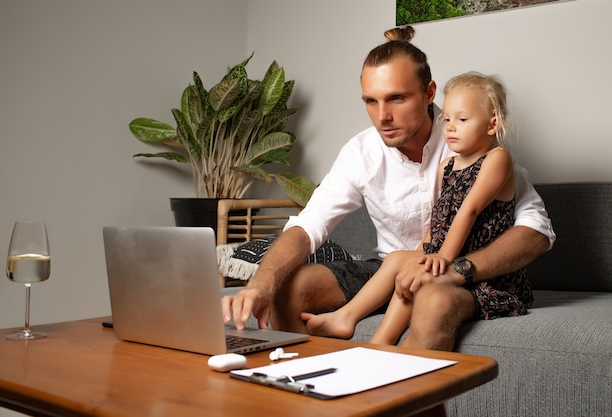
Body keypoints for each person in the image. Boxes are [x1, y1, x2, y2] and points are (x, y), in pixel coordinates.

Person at [221, 26, 555, 351]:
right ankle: (312, 396)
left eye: (396, 98)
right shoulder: (361, 152)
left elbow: (536, 232)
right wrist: (260, 284)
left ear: (428, 93)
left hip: (460, 271)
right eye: (371, 101)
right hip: (388, 269)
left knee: (434, 298)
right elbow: (308, 226)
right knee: (290, 288)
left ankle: (392, 395)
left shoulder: (473, 141)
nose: (382, 116)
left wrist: (456, 269)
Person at [301, 71, 532, 345]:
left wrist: (442, 257)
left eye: (462, 120)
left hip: (483, 273)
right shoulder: (447, 167)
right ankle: (346, 317)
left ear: (492, 125)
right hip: (448, 253)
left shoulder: (497, 159)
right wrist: (425, 249)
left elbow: (467, 210)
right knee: (400, 259)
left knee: (421, 273)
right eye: (447, 119)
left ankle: (381, 342)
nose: (451, 127)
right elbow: (438, 220)